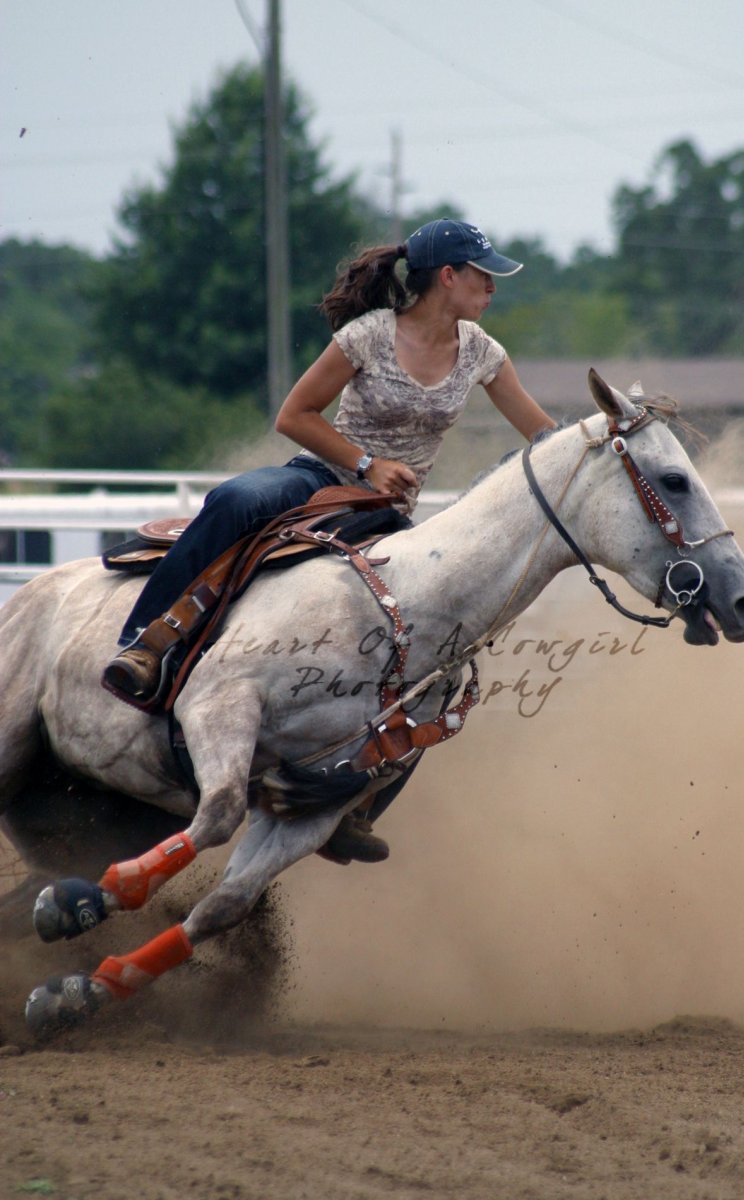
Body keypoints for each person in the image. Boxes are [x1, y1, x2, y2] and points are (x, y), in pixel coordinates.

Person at [102, 218, 556, 860]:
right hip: (323, 482)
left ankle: (356, 803)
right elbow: (294, 415)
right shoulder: (368, 336)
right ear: (447, 277)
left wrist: (600, 442)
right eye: (483, 274)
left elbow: (542, 433)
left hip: (387, 516)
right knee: (237, 500)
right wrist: (367, 463)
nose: (492, 286)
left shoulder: (482, 351)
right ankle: (147, 643)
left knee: (441, 658)